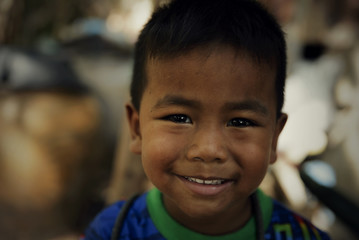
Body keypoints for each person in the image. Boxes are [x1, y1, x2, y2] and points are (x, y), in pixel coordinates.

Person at [84, 0, 331, 239]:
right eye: (179, 118)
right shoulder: (112, 231)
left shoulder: (300, 236)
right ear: (137, 129)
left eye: (240, 122)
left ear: (274, 138)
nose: (209, 150)